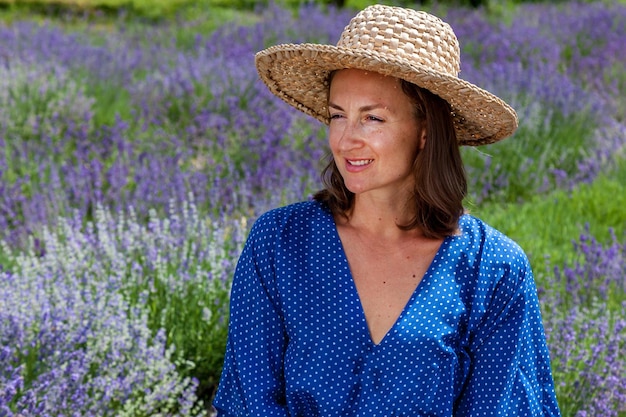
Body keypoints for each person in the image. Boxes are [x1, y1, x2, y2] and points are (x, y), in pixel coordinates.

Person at [213, 4, 561, 416]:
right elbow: (249, 403)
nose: (345, 140)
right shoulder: (281, 243)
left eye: (372, 118)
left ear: (425, 131)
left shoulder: (493, 269)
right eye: (337, 116)